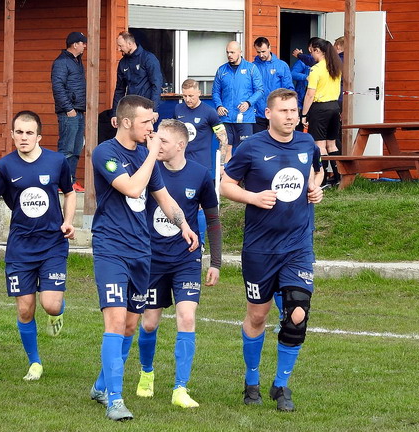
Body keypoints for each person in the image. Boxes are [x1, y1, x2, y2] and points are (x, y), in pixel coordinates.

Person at [89, 95, 199, 421]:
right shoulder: (105, 153)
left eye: (153, 121)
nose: (152, 128)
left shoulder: (143, 155)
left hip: (141, 251)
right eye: (147, 122)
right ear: (126, 122)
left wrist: (184, 226)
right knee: (114, 321)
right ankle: (114, 400)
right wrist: (151, 155)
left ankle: (101, 385)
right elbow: (133, 189)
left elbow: (163, 198)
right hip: (111, 249)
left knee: (130, 325)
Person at [220, 88, 324, 412]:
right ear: (268, 114)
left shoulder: (307, 143)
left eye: (294, 110)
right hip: (260, 249)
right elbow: (225, 184)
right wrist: (253, 197)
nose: (290, 116)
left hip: (297, 245)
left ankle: (281, 385)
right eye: (284, 111)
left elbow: (316, 170)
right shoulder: (251, 147)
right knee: (258, 316)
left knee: (297, 314)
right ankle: (251, 379)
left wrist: (315, 187)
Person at [0, 110, 76, 381]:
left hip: (53, 244)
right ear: (12, 135)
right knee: (24, 308)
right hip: (20, 247)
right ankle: (35, 362)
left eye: (29, 133)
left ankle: (57, 314)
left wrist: (68, 221)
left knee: (51, 305)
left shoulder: (57, 161)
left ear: (39, 136)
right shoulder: (5, 166)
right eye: (19, 132)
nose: (24, 137)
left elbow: (70, 193)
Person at [134, 119, 222, 408]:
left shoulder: (200, 174)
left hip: (186, 258)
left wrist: (216, 261)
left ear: (181, 145)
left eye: (163, 141)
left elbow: (213, 219)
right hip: (153, 259)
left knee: (186, 317)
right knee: (149, 323)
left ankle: (180, 388)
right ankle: (147, 373)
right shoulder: (148, 170)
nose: (156, 144)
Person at [175, 78, 228, 244]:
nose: (188, 99)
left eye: (191, 95)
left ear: (199, 93)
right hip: (181, 165)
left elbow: (223, 137)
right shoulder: (178, 109)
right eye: (185, 96)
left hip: (202, 166)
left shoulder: (209, 112)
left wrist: (221, 164)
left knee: (199, 205)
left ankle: (201, 242)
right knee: (180, 202)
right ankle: (182, 239)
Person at [301, 38, 342, 186]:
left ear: (317, 50)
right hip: (334, 107)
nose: (311, 55)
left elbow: (310, 94)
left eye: (311, 51)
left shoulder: (316, 69)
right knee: (332, 144)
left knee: (320, 145)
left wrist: (304, 114)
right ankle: (339, 177)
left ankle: (322, 179)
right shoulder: (336, 67)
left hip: (320, 108)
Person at [212, 41, 264, 155]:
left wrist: (248, 103)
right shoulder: (221, 70)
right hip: (226, 117)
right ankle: (224, 167)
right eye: (227, 52)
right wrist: (219, 105)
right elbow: (215, 92)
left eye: (232, 52)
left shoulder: (251, 68)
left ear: (240, 52)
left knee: (244, 150)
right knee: (225, 147)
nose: (229, 55)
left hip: (245, 118)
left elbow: (260, 90)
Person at [51, 31, 88, 192]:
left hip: (78, 111)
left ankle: (71, 181)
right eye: (82, 43)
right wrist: (69, 109)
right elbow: (58, 87)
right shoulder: (62, 62)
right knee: (66, 149)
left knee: (76, 149)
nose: (85, 46)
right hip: (69, 112)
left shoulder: (76, 61)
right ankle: (62, 183)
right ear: (75, 44)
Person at [111, 31, 163, 129]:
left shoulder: (148, 58)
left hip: (146, 109)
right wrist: (115, 114)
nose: (118, 49)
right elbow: (119, 90)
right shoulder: (123, 63)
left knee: (145, 136)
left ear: (130, 44)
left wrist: (154, 110)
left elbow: (156, 85)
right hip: (130, 109)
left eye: (121, 46)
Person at [252, 37, 294, 133]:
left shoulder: (281, 65)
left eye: (263, 51)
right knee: (259, 140)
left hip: (277, 111)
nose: (261, 55)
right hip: (258, 113)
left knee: (278, 139)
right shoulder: (253, 67)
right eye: (258, 52)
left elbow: (288, 89)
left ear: (269, 48)